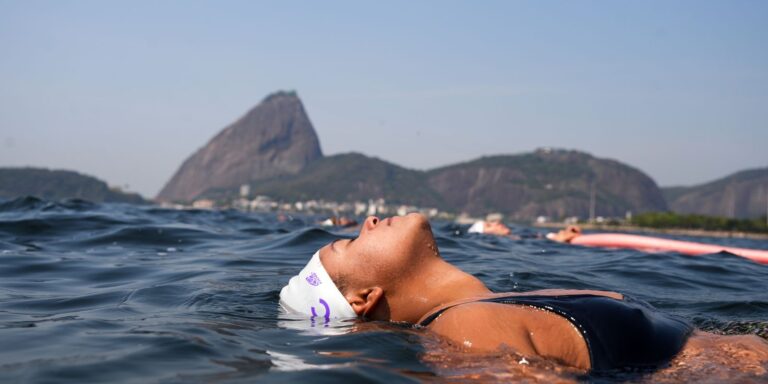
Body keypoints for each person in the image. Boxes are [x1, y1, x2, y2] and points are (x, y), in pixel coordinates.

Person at [280, 213, 768, 373]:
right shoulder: (463, 329)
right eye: (348, 243)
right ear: (364, 298)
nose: (366, 221)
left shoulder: (486, 309)